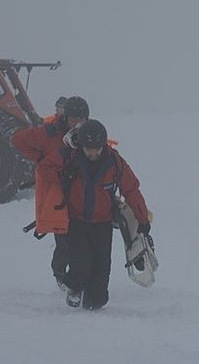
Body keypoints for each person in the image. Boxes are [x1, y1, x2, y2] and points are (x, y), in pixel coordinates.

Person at [37, 118, 150, 310]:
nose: (93, 152)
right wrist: (63, 174)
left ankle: (93, 299)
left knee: (99, 287)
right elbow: (43, 169)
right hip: (74, 222)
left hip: (102, 224)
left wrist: (142, 218)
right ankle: (73, 287)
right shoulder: (68, 157)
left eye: (97, 148)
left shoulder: (115, 162)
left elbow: (131, 189)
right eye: (89, 148)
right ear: (81, 145)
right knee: (81, 263)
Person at [12, 96, 91, 288]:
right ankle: (60, 273)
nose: (78, 123)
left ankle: (79, 275)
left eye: (82, 118)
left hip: (81, 195)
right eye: (74, 118)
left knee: (83, 238)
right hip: (58, 196)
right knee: (63, 237)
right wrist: (42, 159)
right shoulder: (48, 133)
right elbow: (17, 140)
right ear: (66, 117)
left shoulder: (88, 134)